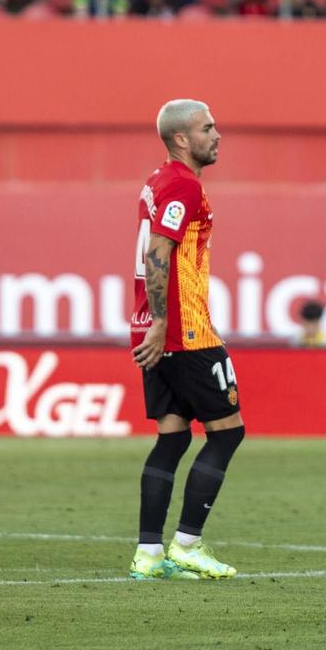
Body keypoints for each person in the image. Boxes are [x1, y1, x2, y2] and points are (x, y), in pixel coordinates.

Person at [129, 100, 246, 582]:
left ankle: (149, 554)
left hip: (153, 330)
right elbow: (160, 251)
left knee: (173, 438)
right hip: (185, 331)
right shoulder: (182, 185)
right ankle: (188, 545)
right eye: (208, 128)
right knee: (228, 431)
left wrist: (150, 324)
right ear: (182, 139)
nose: (217, 135)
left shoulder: (157, 181)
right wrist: (162, 322)